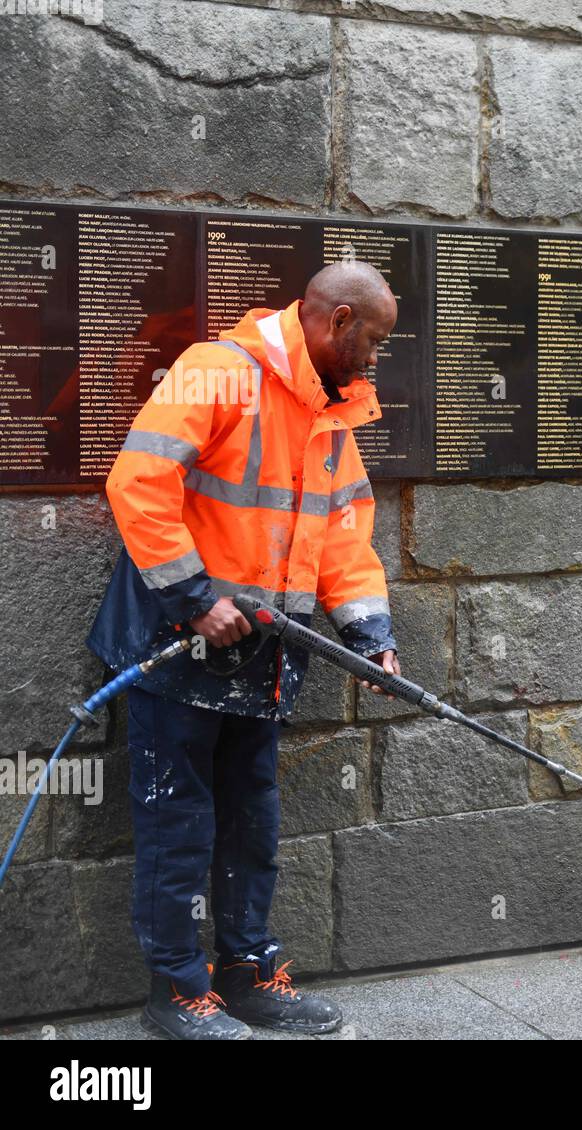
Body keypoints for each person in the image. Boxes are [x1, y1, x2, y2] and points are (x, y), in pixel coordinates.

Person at [86, 262, 402, 1040]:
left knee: (251, 823)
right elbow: (139, 481)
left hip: (262, 661)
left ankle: (248, 972)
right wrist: (197, 600)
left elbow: (344, 538)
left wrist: (372, 638)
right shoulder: (216, 373)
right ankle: (177, 992)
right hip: (174, 646)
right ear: (336, 321)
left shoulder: (330, 418)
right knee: (176, 823)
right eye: (373, 340)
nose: (374, 359)